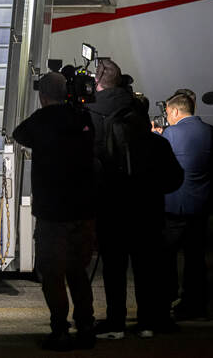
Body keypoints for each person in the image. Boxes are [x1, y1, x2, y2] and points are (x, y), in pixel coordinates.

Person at [86, 59, 183, 339]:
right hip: (147, 216)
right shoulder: (158, 144)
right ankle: (148, 321)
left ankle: (115, 321)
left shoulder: (104, 140)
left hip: (112, 215)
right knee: (146, 271)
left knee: (114, 271)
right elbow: (175, 179)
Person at [12, 73, 97, 351]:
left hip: (52, 213)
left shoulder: (42, 119)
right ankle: (86, 327)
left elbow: (19, 134)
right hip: (82, 210)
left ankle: (60, 330)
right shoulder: (82, 117)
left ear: (43, 96)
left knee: (52, 273)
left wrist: (48, 110)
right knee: (78, 272)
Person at [152, 91, 213, 319]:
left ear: (176, 111)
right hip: (200, 206)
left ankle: (167, 298)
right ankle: (195, 304)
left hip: (175, 205)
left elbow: (162, 164)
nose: (167, 116)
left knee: (166, 257)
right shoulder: (210, 131)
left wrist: (157, 136)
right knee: (196, 258)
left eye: (168, 112)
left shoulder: (171, 133)